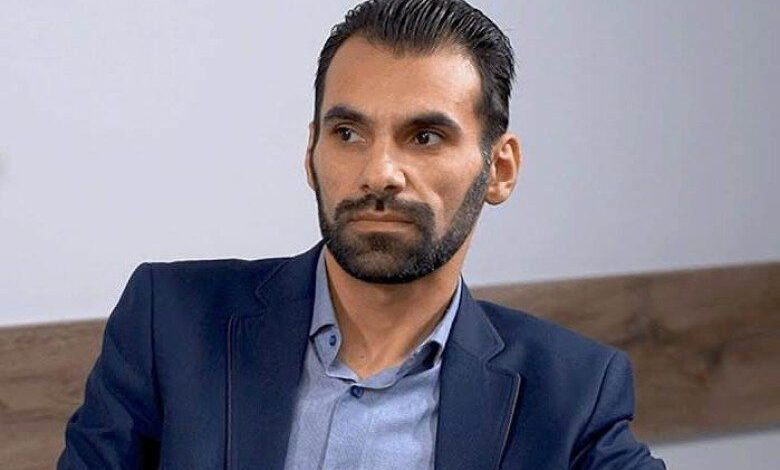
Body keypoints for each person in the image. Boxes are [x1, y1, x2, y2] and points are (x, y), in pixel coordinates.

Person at [58, 0, 666, 468]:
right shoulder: (170, 322)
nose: (379, 173)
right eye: (348, 133)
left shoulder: (571, 393)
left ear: (499, 170)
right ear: (311, 154)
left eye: (424, 137)